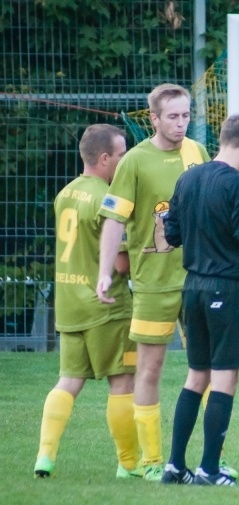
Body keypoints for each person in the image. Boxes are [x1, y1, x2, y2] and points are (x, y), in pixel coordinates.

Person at [95, 83, 211, 481]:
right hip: (153, 284)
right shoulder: (135, 162)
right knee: (150, 368)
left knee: (208, 368)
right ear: (154, 119)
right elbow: (113, 221)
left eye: (186, 115)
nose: (181, 124)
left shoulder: (199, 153)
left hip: (200, 278)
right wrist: (105, 271)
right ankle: (151, 460)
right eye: (173, 116)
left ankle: (210, 458)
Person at [160, 113, 239, 486]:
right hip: (226, 289)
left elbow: (171, 236)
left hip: (193, 288)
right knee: (224, 380)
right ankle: (208, 469)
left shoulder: (187, 178)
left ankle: (174, 466)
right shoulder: (237, 183)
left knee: (196, 377)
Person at [34, 124, 139, 479]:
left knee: (68, 381)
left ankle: (45, 457)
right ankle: (129, 464)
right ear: (105, 158)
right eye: (122, 155)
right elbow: (121, 263)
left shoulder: (65, 194)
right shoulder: (108, 200)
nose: (125, 162)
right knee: (123, 382)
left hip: (69, 305)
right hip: (106, 306)